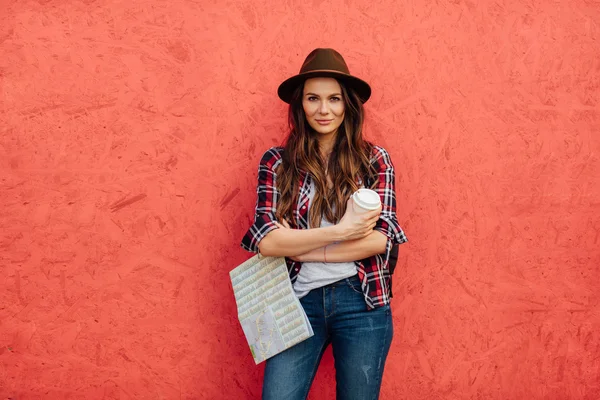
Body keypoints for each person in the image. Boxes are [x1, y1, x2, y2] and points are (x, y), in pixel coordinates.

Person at [240, 48, 408, 400]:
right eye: (313, 98)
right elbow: (267, 242)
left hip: (362, 302)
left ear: (347, 104)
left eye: (333, 99)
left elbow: (383, 239)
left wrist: (304, 247)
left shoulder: (374, 160)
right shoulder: (277, 163)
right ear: (300, 105)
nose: (323, 109)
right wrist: (342, 232)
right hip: (297, 301)